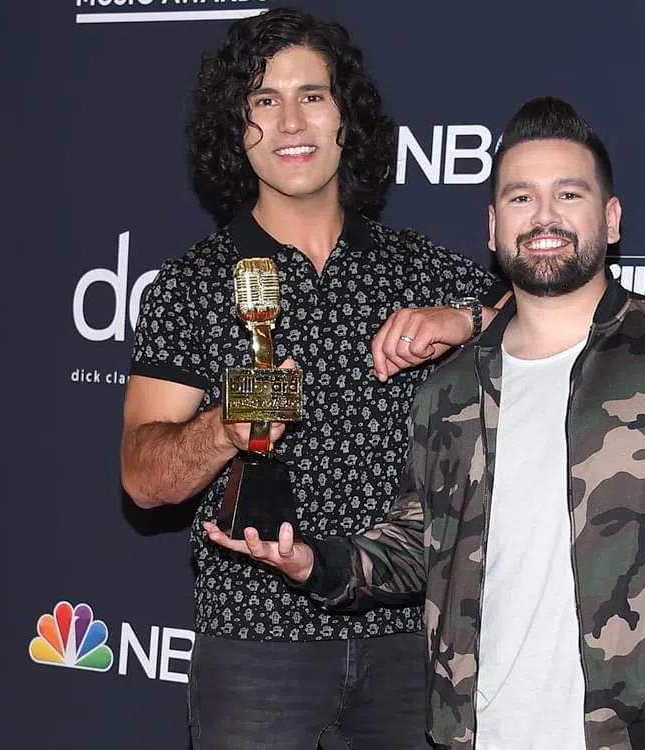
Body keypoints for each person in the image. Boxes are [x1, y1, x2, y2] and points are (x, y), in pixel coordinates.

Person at [205, 96, 645, 750]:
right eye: (522, 198)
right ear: (494, 228)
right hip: (480, 732)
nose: (544, 216)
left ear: (611, 219)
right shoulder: (449, 388)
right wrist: (315, 563)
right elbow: (418, 544)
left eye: (568, 194)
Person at [120, 8, 508, 750]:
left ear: (345, 118)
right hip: (254, 641)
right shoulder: (191, 285)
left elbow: (563, 336)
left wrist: (469, 319)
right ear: (235, 127)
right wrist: (226, 426)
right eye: (264, 100)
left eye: (312, 96)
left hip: (410, 637)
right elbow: (142, 478)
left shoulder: (420, 269)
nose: (291, 122)